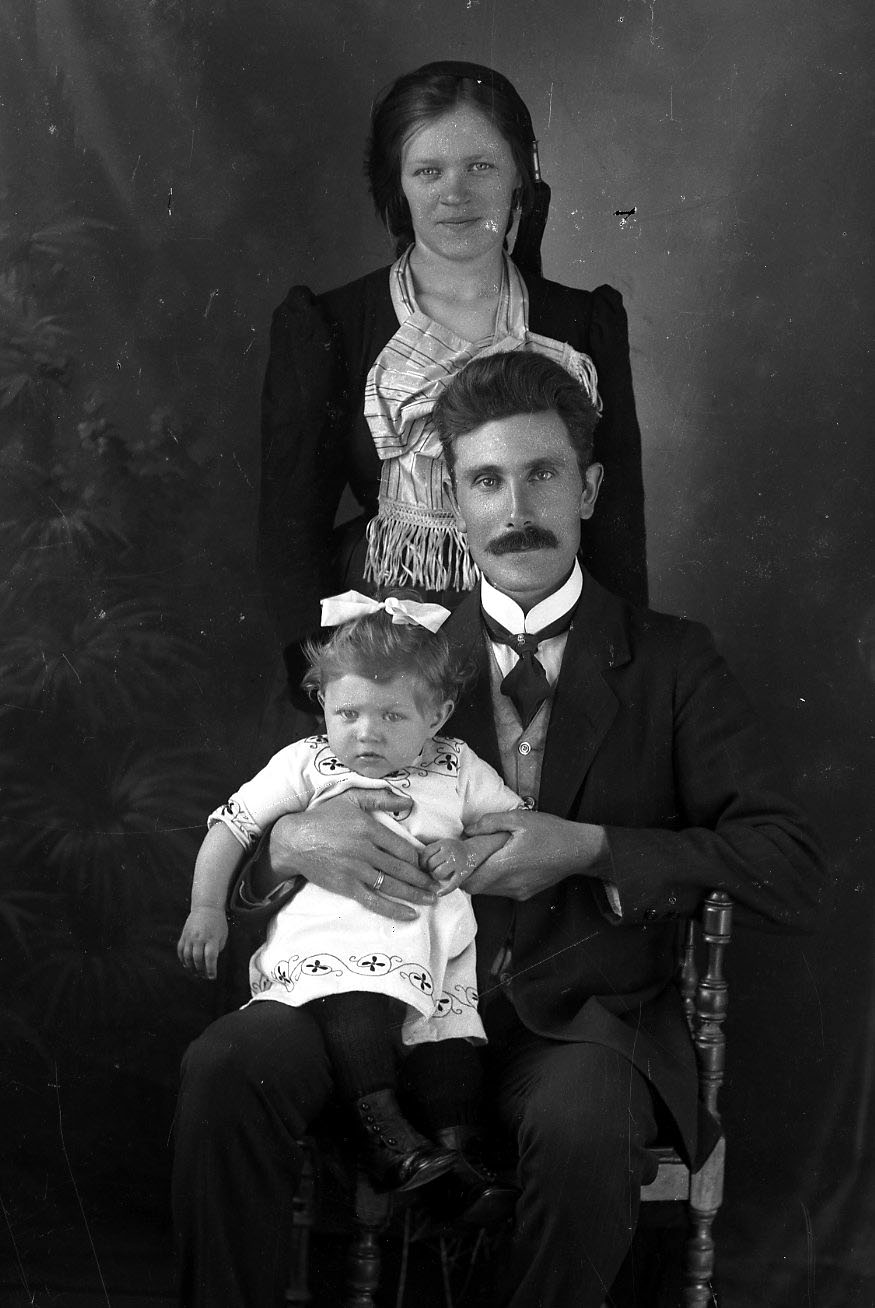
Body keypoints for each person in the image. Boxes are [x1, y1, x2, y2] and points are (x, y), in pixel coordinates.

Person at [172, 352, 824, 1308]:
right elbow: (274, 806)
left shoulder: (673, 662)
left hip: (579, 1027)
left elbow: (789, 865)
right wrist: (288, 845)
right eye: (485, 480)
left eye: (541, 474)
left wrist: (592, 847)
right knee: (226, 1068)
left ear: (588, 489)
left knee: (583, 1127)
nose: (515, 508)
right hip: (379, 1003)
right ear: (455, 500)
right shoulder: (391, 656)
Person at [257, 60, 648, 712]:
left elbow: (616, 526)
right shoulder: (331, 326)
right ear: (396, 184)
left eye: (481, 166)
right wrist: (331, 687)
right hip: (386, 655)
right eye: (428, 172)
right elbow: (289, 534)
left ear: (520, 176)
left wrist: (619, 680)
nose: (455, 194)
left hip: (548, 640)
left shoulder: (580, 323)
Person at [176, 591, 522, 1208]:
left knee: (448, 1054)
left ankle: (456, 1166)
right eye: (348, 713)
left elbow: (516, 826)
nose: (366, 734)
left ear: (437, 716)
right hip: (334, 946)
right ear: (324, 706)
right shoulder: (308, 763)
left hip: (433, 954)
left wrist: (468, 851)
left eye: (392, 716)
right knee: (356, 1012)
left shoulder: (458, 768)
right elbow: (232, 827)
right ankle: (384, 1137)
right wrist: (205, 907)